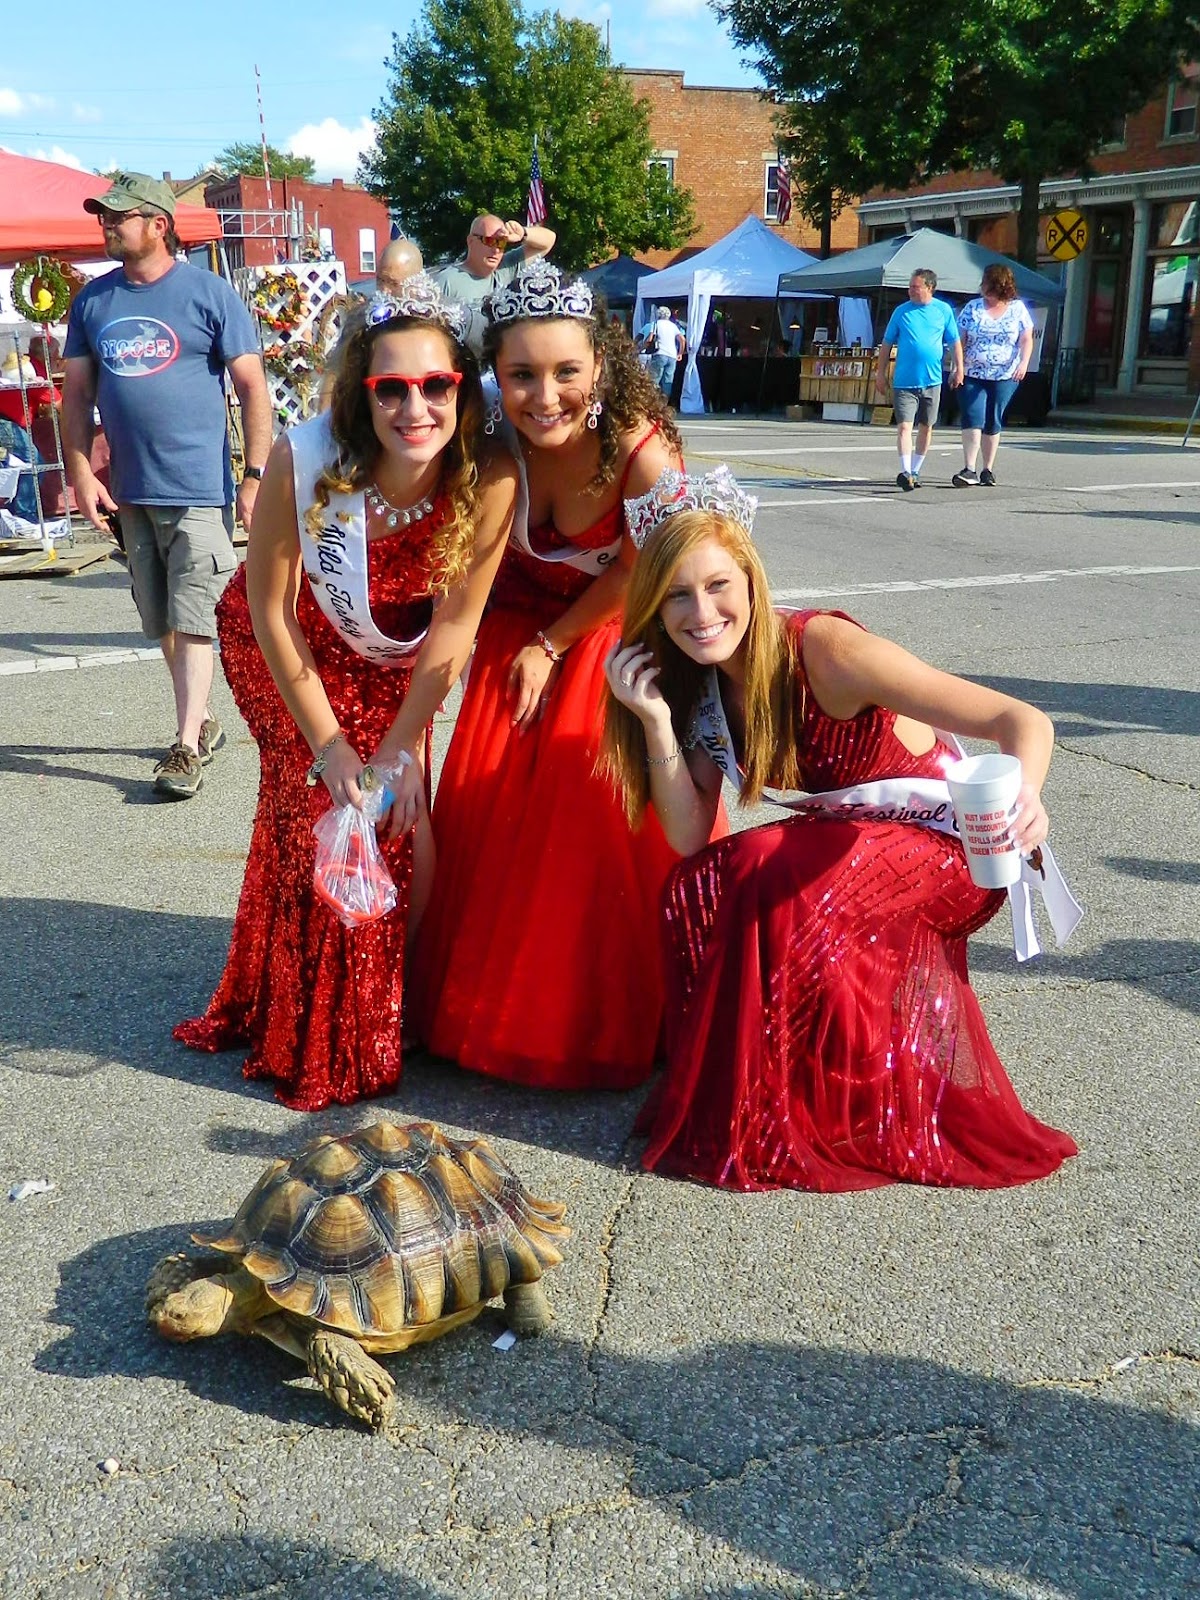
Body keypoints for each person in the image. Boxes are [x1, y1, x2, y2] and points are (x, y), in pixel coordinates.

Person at [602, 465, 1079, 1192]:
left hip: (953, 849)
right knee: (702, 882)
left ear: (752, 581)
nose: (701, 612)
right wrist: (657, 722)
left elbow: (1021, 721)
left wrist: (1030, 797)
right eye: (676, 596)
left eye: (717, 585)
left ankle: (817, 1099)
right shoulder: (696, 685)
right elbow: (690, 835)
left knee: (774, 861)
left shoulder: (825, 651)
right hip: (848, 852)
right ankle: (785, 1091)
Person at [174, 275, 516, 1110]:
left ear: (461, 391)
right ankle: (306, 1015)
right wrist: (330, 747)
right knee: (323, 819)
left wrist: (398, 749)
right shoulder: (308, 455)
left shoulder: (488, 475)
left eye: (436, 386)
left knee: (399, 819)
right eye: (390, 387)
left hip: (396, 661)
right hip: (289, 649)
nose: (415, 407)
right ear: (363, 391)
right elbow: (267, 608)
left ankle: (391, 1007)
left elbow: (454, 633)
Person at [412, 260, 713, 1090]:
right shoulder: (485, 440)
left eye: (566, 372)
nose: (545, 396)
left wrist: (552, 643)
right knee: (490, 827)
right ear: (494, 374)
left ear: (602, 368)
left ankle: (580, 1018)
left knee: (583, 833)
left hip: (601, 634)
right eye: (521, 374)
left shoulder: (643, 453)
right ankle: (476, 1007)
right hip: (511, 634)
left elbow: (650, 565)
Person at [62, 171, 273, 799]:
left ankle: (184, 746)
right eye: (104, 215)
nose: (107, 224)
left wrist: (254, 476)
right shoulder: (93, 302)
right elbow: (76, 395)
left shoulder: (209, 295)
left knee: (195, 613)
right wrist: (79, 472)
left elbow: (253, 390)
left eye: (119, 216)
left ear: (158, 223)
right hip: (131, 492)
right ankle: (202, 721)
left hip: (198, 490)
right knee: (162, 622)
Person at [874, 269, 962, 491]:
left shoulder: (943, 310)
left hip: (932, 380)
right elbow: (886, 345)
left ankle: (915, 469)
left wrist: (959, 368)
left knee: (927, 426)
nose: (911, 291)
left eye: (916, 287)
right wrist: (880, 373)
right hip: (905, 381)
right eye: (910, 287)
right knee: (904, 426)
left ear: (929, 288)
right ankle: (905, 471)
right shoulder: (901, 312)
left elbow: (954, 342)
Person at [952, 264, 1035, 488]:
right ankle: (969, 468)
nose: (984, 289)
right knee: (972, 415)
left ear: (1000, 286)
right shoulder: (972, 307)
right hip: (972, 372)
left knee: (993, 418)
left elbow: (1026, 338)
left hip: (1005, 373)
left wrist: (1024, 363)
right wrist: (957, 367)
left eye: (988, 284)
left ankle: (987, 469)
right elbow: (960, 339)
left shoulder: (1017, 309)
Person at [432, 211, 556, 357]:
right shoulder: (446, 280)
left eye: (501, 242)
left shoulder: (506, 269)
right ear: (471, 241)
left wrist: (522, 232)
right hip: (466, 364)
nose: (496, 249)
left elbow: (549, 241)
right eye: (489, 241)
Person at [644, 306, 684, 398]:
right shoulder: (673, 325)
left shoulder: (655, 324)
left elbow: (650, 339)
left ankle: (653, 402)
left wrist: (642, 348)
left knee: (654, 380)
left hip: (659, 353)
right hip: (672, 355)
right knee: (668, 381)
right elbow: (682, 339)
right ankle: (665, 403)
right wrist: (680, 353)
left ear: (658, 314)